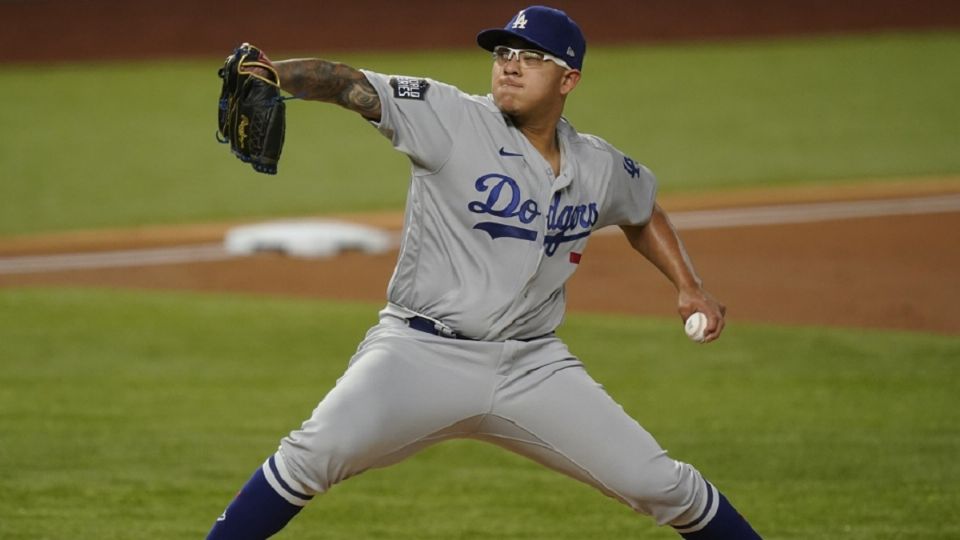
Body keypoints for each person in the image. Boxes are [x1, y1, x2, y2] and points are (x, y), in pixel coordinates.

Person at [207, 6, 762, 539]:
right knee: (308, 458)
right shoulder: (450, 118)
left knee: (662, 485)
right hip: (418, 354)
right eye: (503, 52)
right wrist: (276, 74)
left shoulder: (597, 164)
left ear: (568, 79)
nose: (510, 64)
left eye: (531, 56)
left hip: (533, 366)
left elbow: (642, 212)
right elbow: (352, 85)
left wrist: (689, 287)